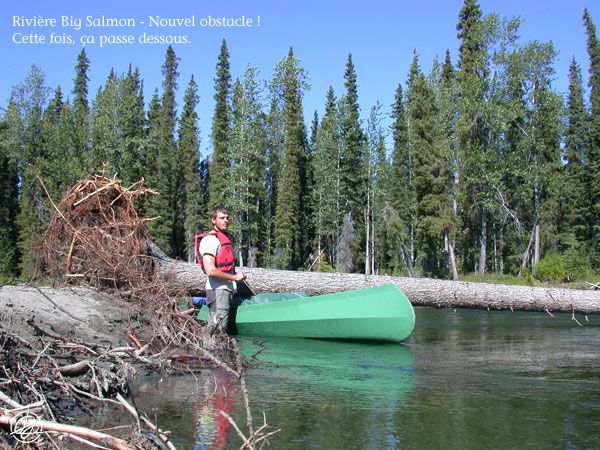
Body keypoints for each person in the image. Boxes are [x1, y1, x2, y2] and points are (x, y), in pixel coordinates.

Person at [197, 205, 246, 333]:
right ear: (214, 220)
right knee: (217, 331)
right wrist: (234, 277)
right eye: (221, 218)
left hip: (225, 290)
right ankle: (208, 351)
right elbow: (210, 271)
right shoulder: (209, 240)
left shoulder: (223, 239)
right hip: (218, 290)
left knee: (218, 329)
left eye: (227, 218)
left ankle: (210, 350)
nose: (226, 220)